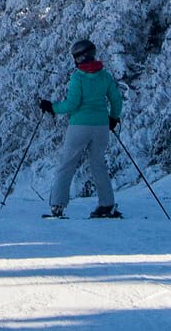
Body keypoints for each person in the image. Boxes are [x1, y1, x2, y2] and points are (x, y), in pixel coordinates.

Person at [36, 38, 124, 219]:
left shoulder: (78, 78)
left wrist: (52, 107)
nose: (75, 61)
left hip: (79, 126)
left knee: (67, 164)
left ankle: (58, 206)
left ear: (81, 57)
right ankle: (106, 205)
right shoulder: (105, 76)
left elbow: (71, 104)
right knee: (98, 164)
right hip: (101, 126)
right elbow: (116, 99)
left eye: (76, 58)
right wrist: (113, 118)